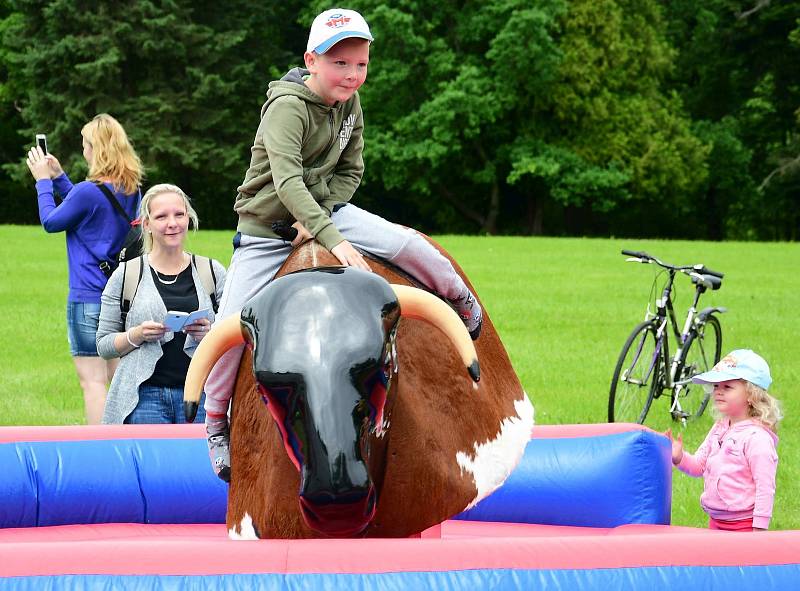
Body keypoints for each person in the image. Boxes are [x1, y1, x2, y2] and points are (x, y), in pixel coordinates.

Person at [202, 8, 483, 479]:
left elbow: (351, 172)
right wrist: (328, 235)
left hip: (326, 213)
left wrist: (321, 220)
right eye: (340, 63)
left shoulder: (349, 104)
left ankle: (457, 297)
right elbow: (287, 182)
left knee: (408, 245)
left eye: (361, 64)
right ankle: (214, 421)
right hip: (266, 229)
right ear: (312, 60)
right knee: (229, 327)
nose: (352, 75)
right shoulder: (287, 107)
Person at [26, 113, 143, 424]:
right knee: (117, 379)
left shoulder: (87, 192)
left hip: (87, 297)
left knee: (93, 382)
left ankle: (100, 449)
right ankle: (129, 441)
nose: (83, 151)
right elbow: (91, 206)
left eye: (86, 145)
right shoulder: (131, 189)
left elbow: (52, 221)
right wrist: (60, 176)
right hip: (120, 297)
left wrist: (42, 182)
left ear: (98, 149)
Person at [96, 184, 226, 424]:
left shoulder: (212, 271)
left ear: (189, 218)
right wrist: (136, 335)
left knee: (202, 463)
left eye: (179, 214)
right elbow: (103, 345)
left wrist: (211, 332)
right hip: (144, 398)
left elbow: (237, 335)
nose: (172, 223)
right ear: (146, 224)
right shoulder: (126, 274)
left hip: (202, 394)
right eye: (161, 217)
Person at [669, 349, 782, 531]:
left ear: (751, 395)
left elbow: (765, 487)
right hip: (716, 522)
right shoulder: (720, 428)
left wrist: (759, 530)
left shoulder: (757, 438)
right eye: (716, 386)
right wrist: (679, 457)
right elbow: (699, 466)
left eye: (727, 387)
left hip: (744, 526)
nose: (718, 392)